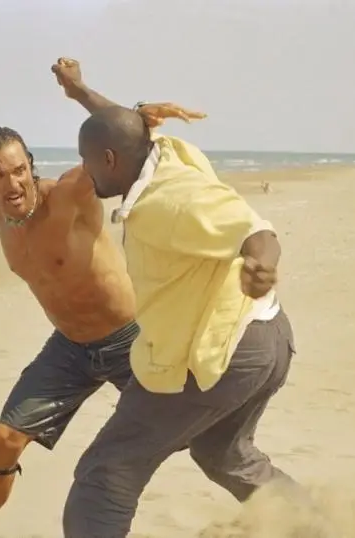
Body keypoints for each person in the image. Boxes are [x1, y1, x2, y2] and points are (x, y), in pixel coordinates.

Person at [0, 99, 205, 535]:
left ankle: (273, 507)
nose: (13, 183)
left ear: (31, 166)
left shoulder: (68, 195)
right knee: (5, 440)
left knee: (198, 440)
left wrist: (139, 115)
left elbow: (115, 148)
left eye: (20, 170)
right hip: (69, 348)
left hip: (130, 340)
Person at [53, 67, 298, 537]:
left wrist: (261, 264)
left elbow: (255, 228)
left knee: (107, 472)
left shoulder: (172, 199)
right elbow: (123, 126)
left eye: (87, 161)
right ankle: (320, 525)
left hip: (222, 350)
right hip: (269, 336)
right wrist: (80, 92)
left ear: (109, 159)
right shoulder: (166, 152)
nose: (84, 171)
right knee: (222, 453)